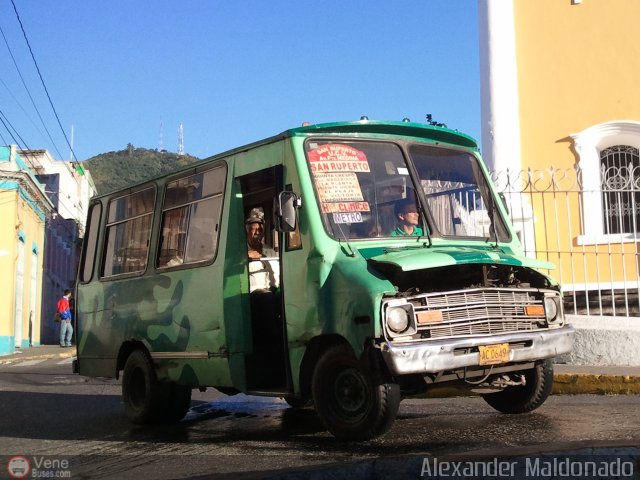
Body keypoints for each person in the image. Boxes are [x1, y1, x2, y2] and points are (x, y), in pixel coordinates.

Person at [245, 208, 278, 292]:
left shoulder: (270, 251)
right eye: (254, 229)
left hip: (271, 292)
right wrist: (245, 257)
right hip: (251, 295)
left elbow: (277, 274)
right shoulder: (241, 253)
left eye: (260, 230)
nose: (257, 233)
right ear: (247, 231)